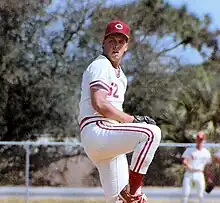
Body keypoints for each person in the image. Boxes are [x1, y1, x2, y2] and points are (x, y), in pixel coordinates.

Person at [78, 20, 161, 203]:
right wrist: (132, 120)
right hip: (97, 129)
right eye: (111, 40)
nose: (116, 45)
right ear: (103, 42)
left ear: (126, 46)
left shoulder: (121, 75)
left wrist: (128, 122)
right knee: (151, 133)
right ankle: (133, 191)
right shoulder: (101, 65)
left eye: (120, 41)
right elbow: (99, 103)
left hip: (108, 141)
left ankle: (128, 196)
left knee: (118, 201)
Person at [181, 131, 212, 203]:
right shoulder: (190, 150)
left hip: (199, 173)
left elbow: (208, 166)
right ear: (196, 140)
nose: (200, 141)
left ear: (204, 140)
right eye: (198, 139)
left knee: (201, 195)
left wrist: (209, 178)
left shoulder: (206, 153)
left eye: (201, 139)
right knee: (185, 194)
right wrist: (188, 165)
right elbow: (183, 160)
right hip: (189, 173)